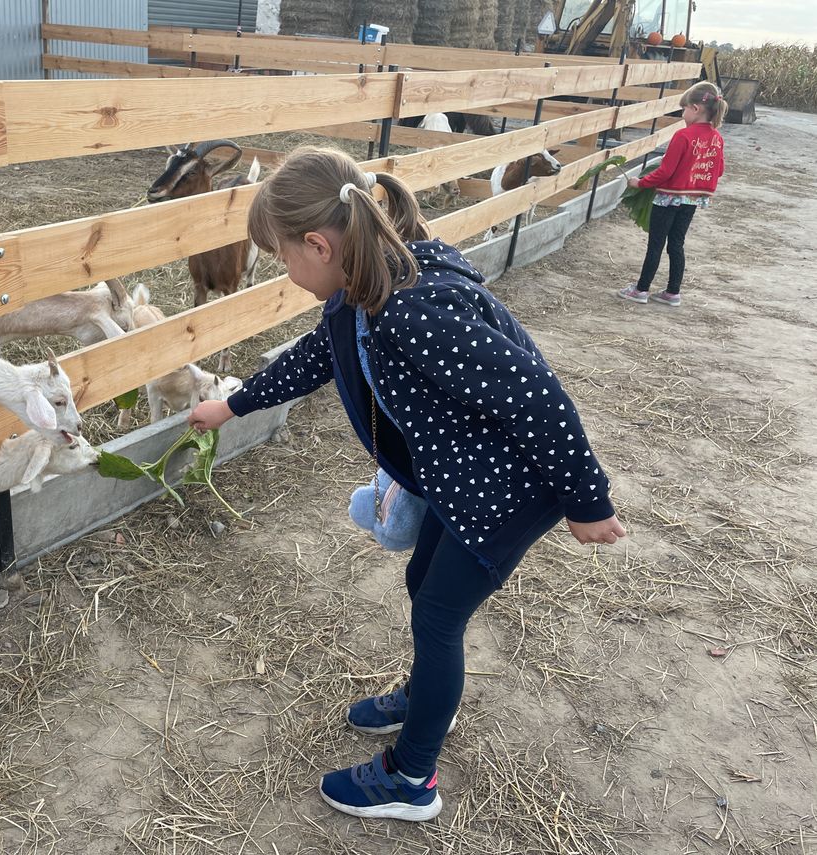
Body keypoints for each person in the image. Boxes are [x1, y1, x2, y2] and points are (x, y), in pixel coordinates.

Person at [188, 146, 626, 822]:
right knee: (424, 585)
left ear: (318, 244)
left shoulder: (414, 307)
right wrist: (234, 403)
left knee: (438, 612)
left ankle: (412, 778)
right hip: (464, 479)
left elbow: (535, 396)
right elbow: (314, 358)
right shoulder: (361, 288)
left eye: (283, 258)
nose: (285, 271)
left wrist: (587, 500)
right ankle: (429, 700)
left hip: (505, 491)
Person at [619, 81, 727, 308]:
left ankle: (641, 289)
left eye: (684, 109)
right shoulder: (717, 138)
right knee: (676, 244)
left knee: (656, 244)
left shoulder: (683, 135)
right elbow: (719, 170)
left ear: (695, 108)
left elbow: (665, 171)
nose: (683, 114)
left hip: (668, 198)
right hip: (692, 199)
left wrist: (640, 183)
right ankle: (673, 292)